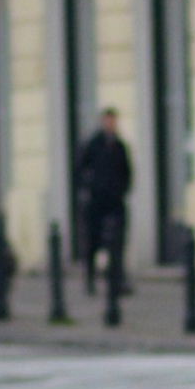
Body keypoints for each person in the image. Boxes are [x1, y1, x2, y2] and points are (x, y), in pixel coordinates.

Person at [74, 108, 133, 294]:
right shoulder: (92, 144)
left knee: (117, 243)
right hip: (96, 202)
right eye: (108, 120)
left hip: (115, 201)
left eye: (113, 121)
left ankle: (116, 281)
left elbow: (127, 172)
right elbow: (79, 170)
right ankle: (90, 280)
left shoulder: (120, 145)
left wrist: (122, 191)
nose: (111, 124)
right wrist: (88, 190)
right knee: (92, 242)